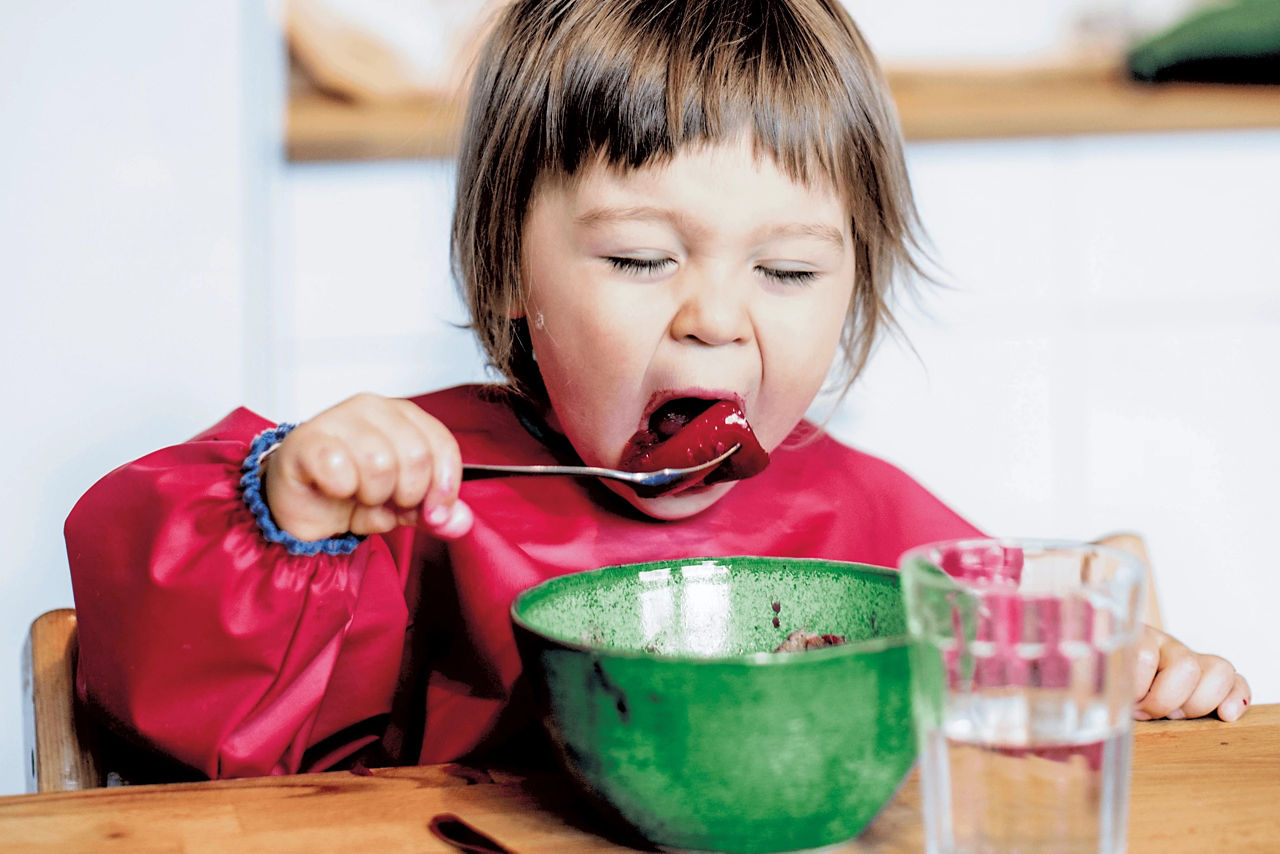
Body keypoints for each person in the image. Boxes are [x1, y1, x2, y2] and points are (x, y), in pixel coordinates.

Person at [64, 0, 1248, 782]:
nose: (716, 314)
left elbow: (1023, 712)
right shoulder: (422, 496)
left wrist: (1135, 674)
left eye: (785, 270)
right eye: (639, 259)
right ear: (509, 274)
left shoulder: (875, 524)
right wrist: (286, 509)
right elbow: (166, 698)